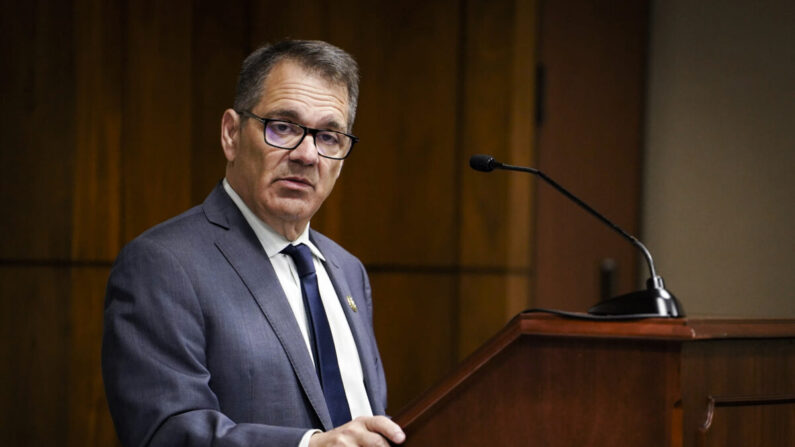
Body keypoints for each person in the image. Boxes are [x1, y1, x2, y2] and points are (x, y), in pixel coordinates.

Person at [102, 40, 405, 447]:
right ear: (231, 134)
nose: (307, 154)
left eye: (329, 136)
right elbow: (164, 431)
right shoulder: (163, 264)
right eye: (283, 126)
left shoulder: (347, 269)